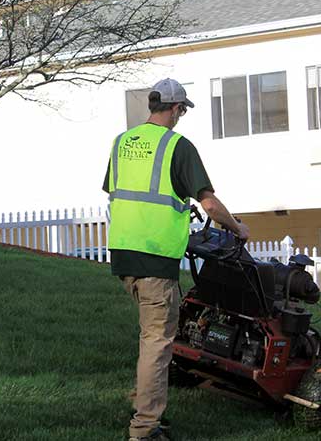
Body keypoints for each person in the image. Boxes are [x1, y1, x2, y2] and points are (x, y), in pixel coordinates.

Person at [103, 78, 250, 441]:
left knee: (149, 337)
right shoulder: (176, 146)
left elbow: (118, 191)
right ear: (175, 109)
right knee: (157, 342)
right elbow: (210, 204)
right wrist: (238, 228)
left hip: (124, 256)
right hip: (155, 259)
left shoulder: (122, 142)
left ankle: (143, 403)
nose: (181, 116)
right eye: (182, 110)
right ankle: (145, 428)